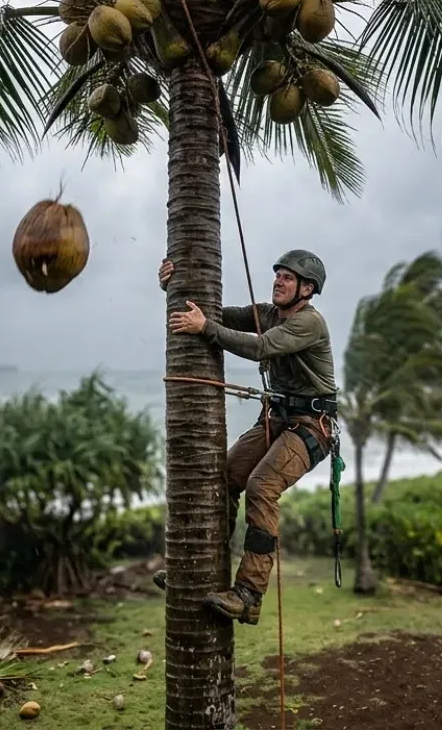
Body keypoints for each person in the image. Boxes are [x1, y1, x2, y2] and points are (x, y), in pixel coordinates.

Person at [154, 250, 338, 626]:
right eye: (278, 275)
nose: (278, 282)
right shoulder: (268, 314)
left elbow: (260, 347)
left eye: (288, 278)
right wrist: (174, 286)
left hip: (311, 425)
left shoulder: (309, 323)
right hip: (276, 417)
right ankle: (198, 571)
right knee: (225, 477)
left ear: (307, 288)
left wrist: (205, 328)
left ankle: (249, 594)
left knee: (261, 486)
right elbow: (213, 313)